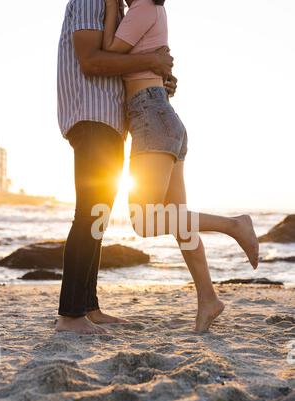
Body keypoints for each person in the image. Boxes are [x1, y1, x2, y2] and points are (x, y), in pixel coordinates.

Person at [102, 0, 259, 332]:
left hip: (152, 118)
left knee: (144, 221)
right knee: (180, 222)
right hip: (161, 117)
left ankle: (235, 225)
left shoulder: (142, 7)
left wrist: (109, 7)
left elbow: (108, 54)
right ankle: (208, 299)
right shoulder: (152, 10)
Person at [56, 0, 176, 334]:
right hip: (91, 117)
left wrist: (158, 77)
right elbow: (91, 61)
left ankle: (88, 307)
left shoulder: (119, 12)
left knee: (98, 216)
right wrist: (151, 59)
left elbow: (125, 66)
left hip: (110, 122)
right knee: (89, 214)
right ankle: (69, 316)